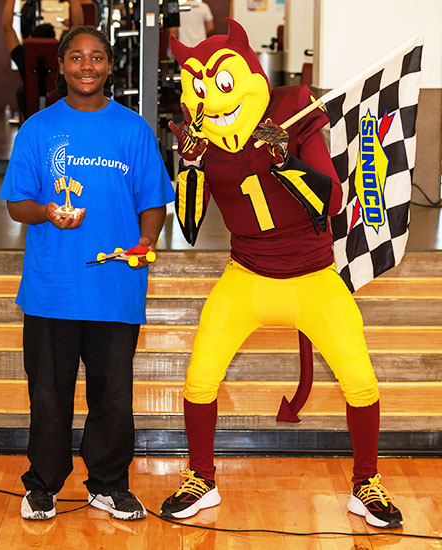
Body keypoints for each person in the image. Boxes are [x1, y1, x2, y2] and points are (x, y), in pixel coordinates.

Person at [159, 20, 403, 529]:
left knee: (360, 379)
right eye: (198, 87)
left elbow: (333, 202)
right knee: (200, 375)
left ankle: (366, 483)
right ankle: (201, 476)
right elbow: (187, 221)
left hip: (312, 276)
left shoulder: (294, 114)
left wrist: (283, 157)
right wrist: (192, 167)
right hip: (246, 274)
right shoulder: (200, 131)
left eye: (220, 83)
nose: (211, 98)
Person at [0, 26, 175, 521]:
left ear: (109, 67)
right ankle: (43, 485)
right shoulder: (38, 128)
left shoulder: (133, 129)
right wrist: (48, 212)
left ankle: (108, 483)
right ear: (61, 65)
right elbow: (16, 205)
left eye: (96, 57)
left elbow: (154, 202)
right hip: (52, 288)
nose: (86, 66)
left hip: (115, 286)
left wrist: (146, 241)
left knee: (113, 395)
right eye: (76, 57)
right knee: (48, 395)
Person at [2, 0, 84, 118]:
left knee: (22, 92)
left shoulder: (24, 57)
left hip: (32, 115)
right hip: (61, 115)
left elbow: (7, 28)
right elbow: (78, 24)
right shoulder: (63, 55)